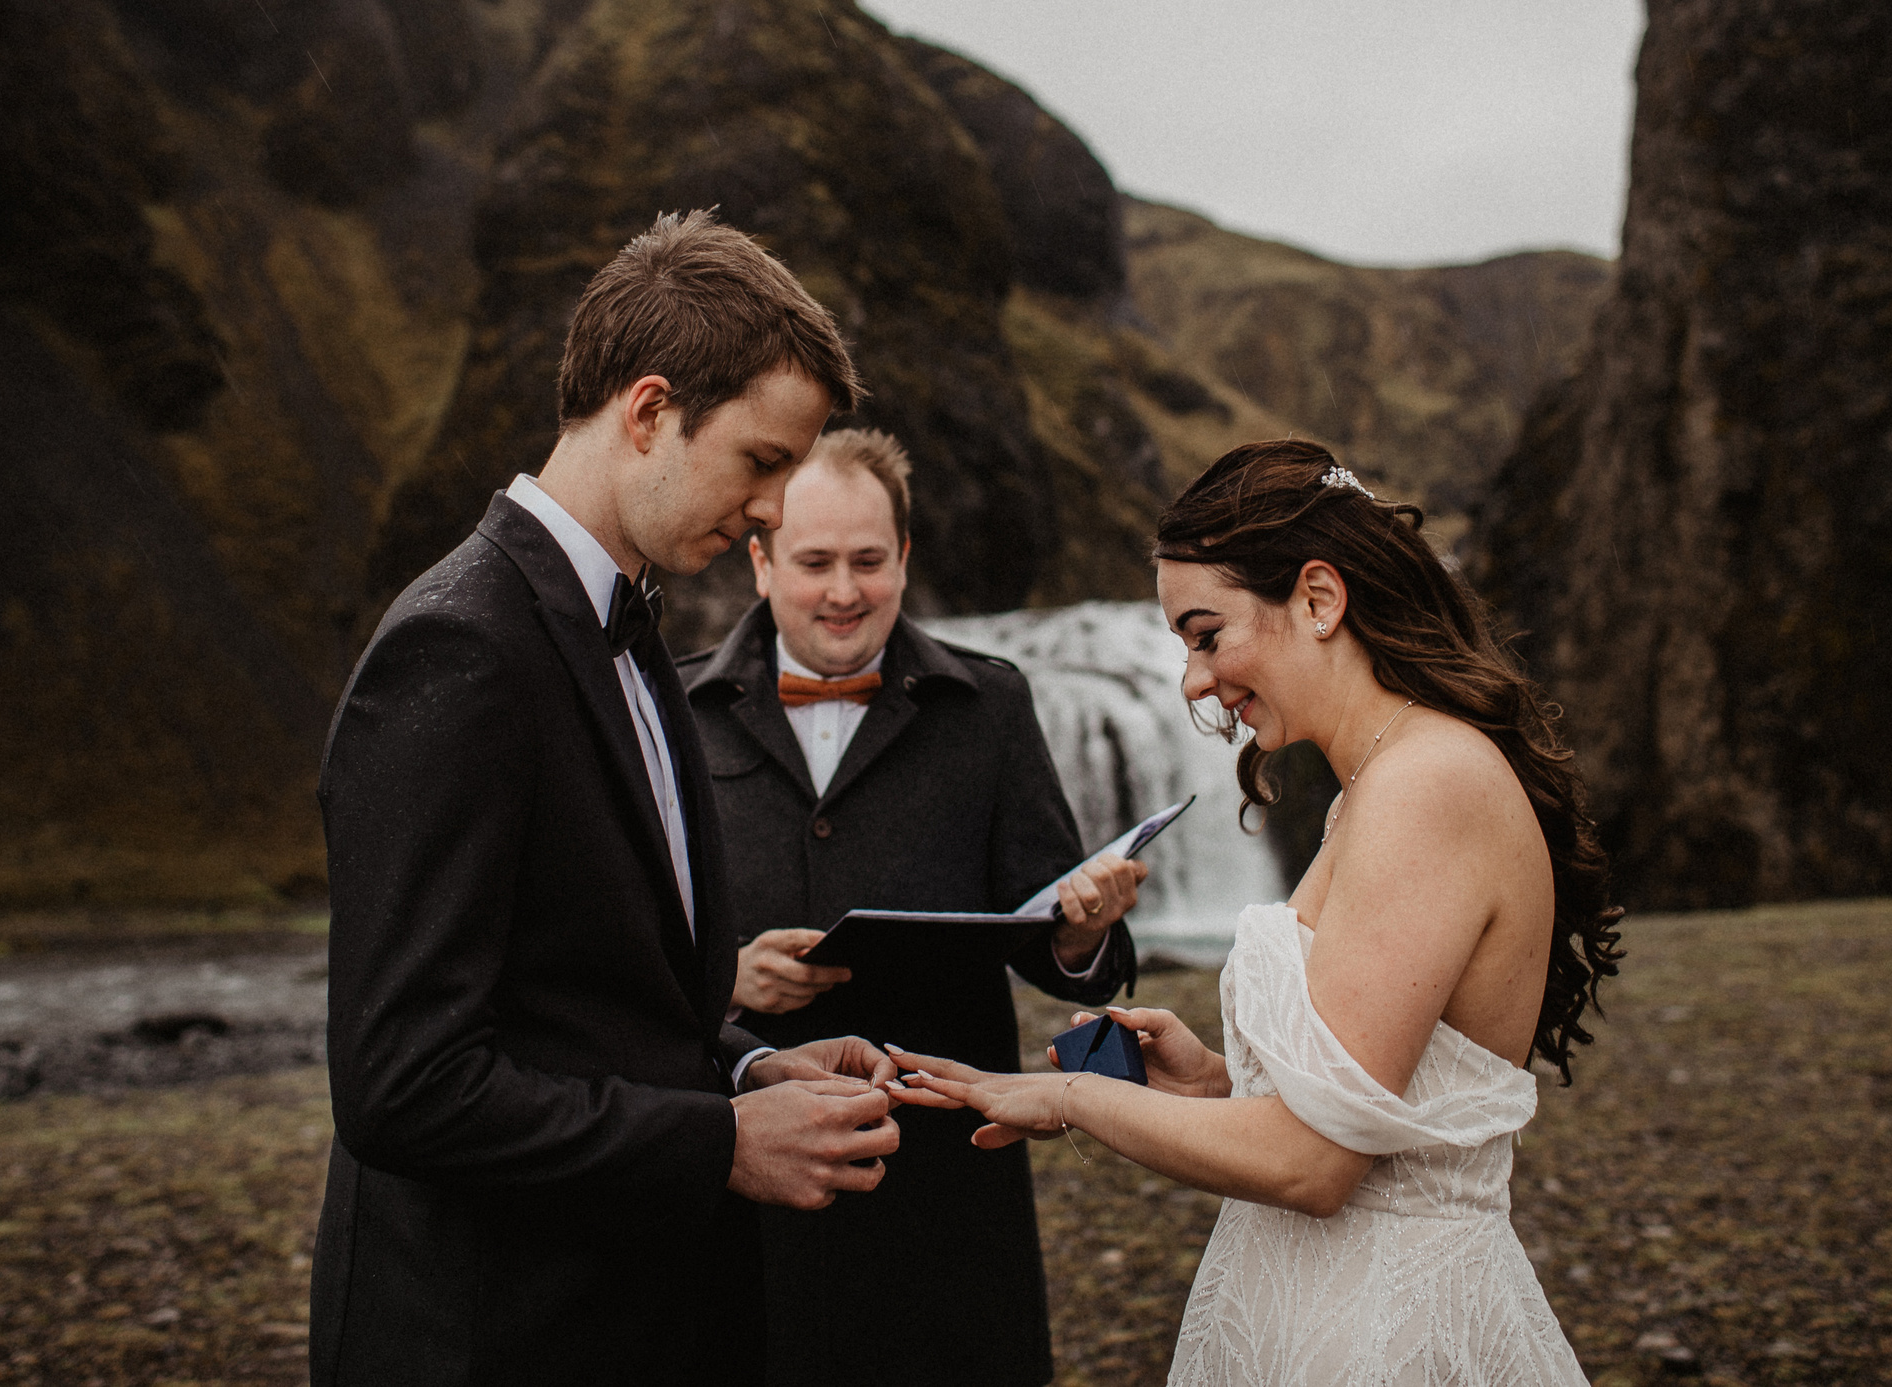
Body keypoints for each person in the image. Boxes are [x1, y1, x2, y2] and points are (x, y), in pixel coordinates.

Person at [309, 211, 909, 1386]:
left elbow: (590, 1003)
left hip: (636, 1320)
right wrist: (721, 1142)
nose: (779, 511)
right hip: (495, 1338)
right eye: (763, 460)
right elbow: (403, 1087)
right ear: (648, 412)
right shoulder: (458, 648)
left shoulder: (622, 633)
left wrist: (745, 1067)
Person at [891, 438, 1624, 1385]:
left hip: (1387, 1329)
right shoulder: (1380, 786)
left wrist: (1069, 1096)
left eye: (1206, 634)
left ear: (1319, 599)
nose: (1194, 679)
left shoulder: (1425, 784)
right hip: (1341, 1304)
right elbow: (1374, 1102)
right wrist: (1212, 1084)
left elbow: (1316, 1165)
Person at [680, 426, 1147, 1386]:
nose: (843, 591)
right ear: (761, 561)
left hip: (944, 1173)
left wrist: (1085, 931)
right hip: (739, 1167)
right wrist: (722, 975)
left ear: (906, 558)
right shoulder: (673, 711)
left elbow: (1050, 934)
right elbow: (617, 942)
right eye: (814, 562)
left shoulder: (992, 706)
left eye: (868, 560)